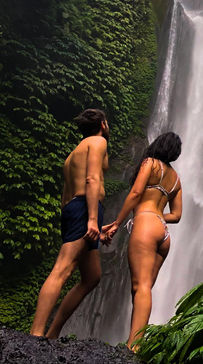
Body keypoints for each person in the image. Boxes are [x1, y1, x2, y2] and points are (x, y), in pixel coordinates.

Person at [30, 109, 109, 338]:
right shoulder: (98, 142)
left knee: (92, 277)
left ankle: (52, 333)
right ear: (103, 125)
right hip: (86, 208)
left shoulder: (73, 155)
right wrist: (91, 219)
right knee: (62, 270)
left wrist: (95, 225)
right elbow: (92, 179)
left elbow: (66, 199)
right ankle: (35, 335)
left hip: (76, 209)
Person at [103, 132, 183, 350]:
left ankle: (134, 347)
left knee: (141, 286)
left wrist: (117, 223)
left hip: (146, 225)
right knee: (141, 289)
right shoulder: (176, 178)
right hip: (163, 234)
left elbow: (136, 193)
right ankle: (135, 341)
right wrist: (158, 216)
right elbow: (176, 216)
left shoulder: (150, 163)